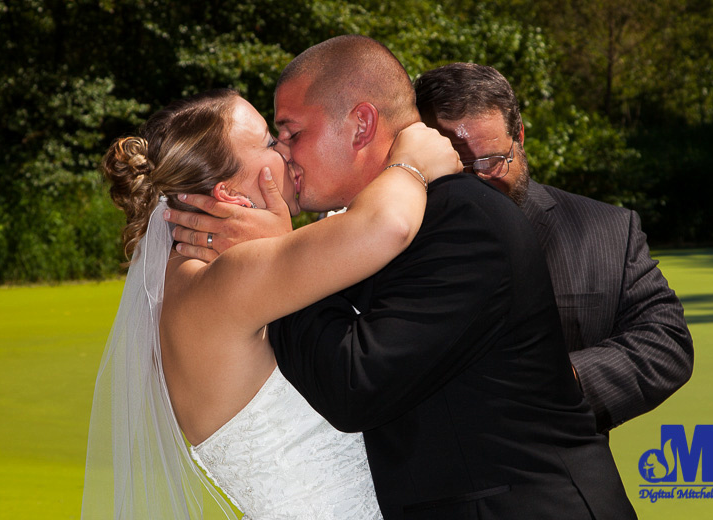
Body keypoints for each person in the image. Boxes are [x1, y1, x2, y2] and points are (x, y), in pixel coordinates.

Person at [166, 35, 636, 519]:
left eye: (292, 133)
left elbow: (355, 384)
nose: (285, 154)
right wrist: (283, 258)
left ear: (361, 124)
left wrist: (278, 260)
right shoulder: (358, 234)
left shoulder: (462, 217)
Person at [80, 88, 463, 519]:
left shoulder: (184, 286)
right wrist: (411, 160)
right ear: (226, 191)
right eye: (267, 142)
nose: (285, 149)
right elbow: (388, 225)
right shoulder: (224, 282)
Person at [413, 62, 694, 433]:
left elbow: (666, 342)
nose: (476, 184)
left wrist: (559, 380)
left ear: (521, 137)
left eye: (494, 162)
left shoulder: (606, 231)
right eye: (459, 168)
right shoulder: (381, 238)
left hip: (562, 477)